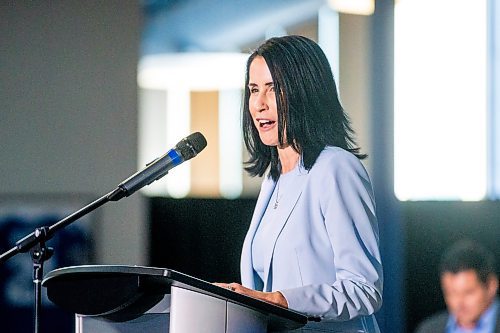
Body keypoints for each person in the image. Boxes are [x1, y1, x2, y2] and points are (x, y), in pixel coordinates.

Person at [216, 35, 383, 332]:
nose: (259, 104)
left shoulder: (336, 168)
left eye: (273, 89)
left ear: (304, 92)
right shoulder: (274, 178)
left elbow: (364, 289)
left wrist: (280, 300)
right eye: (254, 90)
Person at [414, 240, 499, 333]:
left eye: (468, 292)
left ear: (491, 286)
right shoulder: (428, 330)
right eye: (451, 293)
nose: (459, 303)